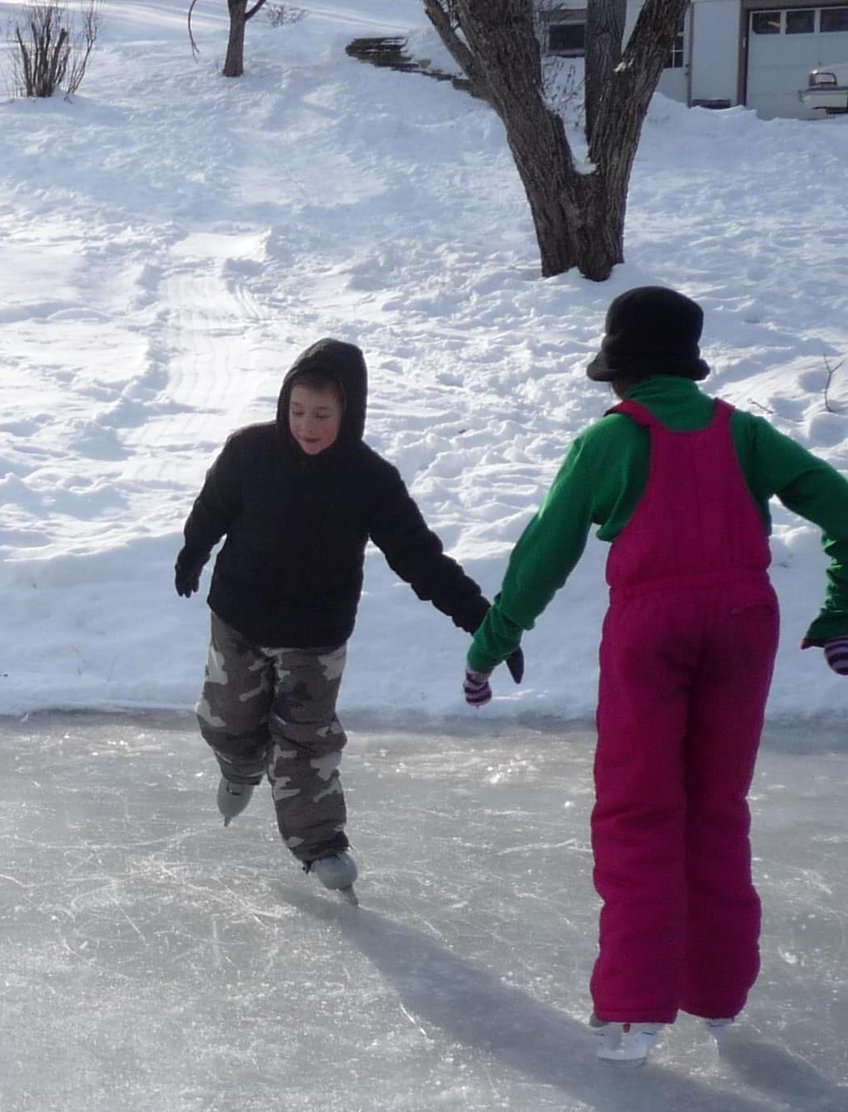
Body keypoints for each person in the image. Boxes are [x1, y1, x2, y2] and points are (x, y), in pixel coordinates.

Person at [464, 286, 848, 1067]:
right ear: (687, 367)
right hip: (746, 625)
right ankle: (719, 996)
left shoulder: (609, 442)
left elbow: (546, 551)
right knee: (716, 806)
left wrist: (491, 642)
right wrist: (840, 612)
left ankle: (637, 1013)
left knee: (641, 809)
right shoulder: (743, 434)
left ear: (620, 375)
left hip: (652, 631)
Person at [174, 338, 518, 901]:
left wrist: (480, 618)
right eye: (297, 410)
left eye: (322, 415)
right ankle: (239, 766)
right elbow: (212, 507)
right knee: (229, 717)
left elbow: (420, 559)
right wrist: (193, 551)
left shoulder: (369, 480)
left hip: (316, 634)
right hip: (239, 616)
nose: (306, 426)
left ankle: (321, 843)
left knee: (307, 741)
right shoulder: (249, 452)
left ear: (349, 412)